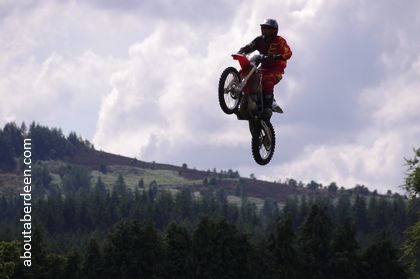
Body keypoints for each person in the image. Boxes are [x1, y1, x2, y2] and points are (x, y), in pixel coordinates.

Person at [238, 18, 292, 113]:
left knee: (267, 79)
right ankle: (243, 98)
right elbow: (249, 47)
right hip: (263, 67)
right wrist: (242, 51)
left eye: (268, 29)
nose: (265, 31)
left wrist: (280, 56)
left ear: (274, 31)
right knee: (248, 73)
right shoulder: (259, 39)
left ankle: (268, 106)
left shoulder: (280, 41)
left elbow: (289, 52)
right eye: (263, 28)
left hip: (276, 69)